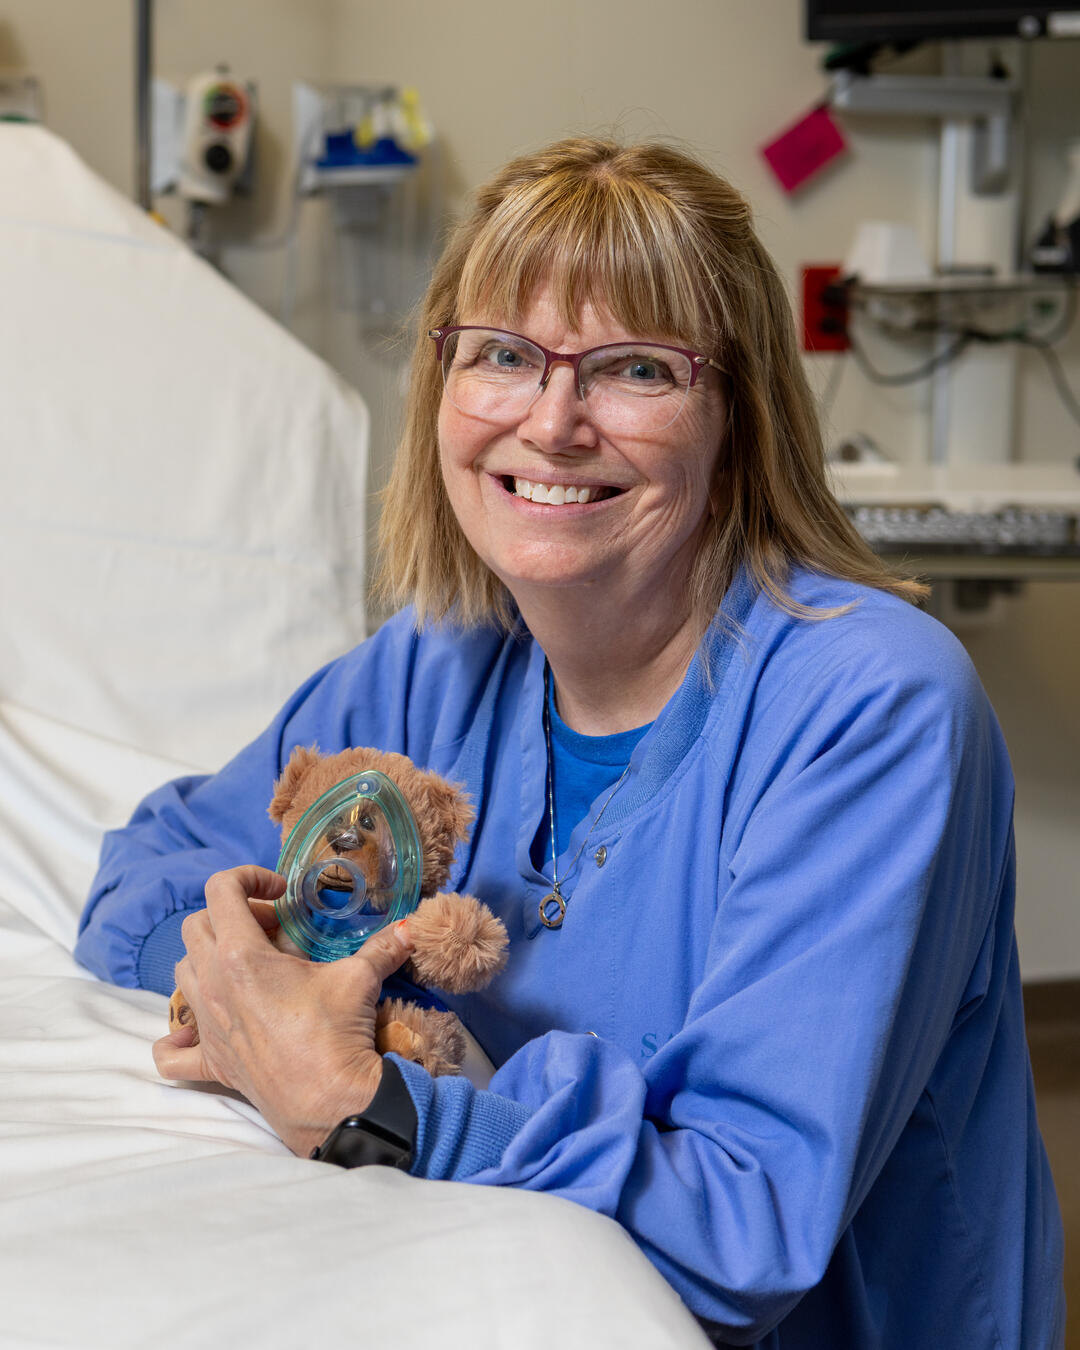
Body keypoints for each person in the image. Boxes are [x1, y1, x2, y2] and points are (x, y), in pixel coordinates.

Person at [75, 136, 1065, 1347]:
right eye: (501, 355)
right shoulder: (438, 663)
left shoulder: (872, 709)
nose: (551, 423)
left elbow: (743, 1226)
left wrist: (374, 1092)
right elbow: (148, 872)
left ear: (736, 419)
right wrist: (249, 971)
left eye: (634, 369)